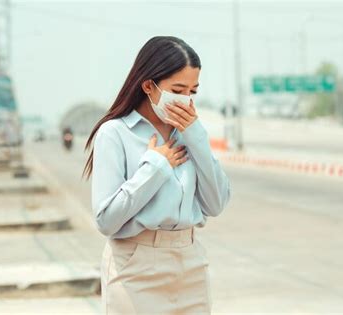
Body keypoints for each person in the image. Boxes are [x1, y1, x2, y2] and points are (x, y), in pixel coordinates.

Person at [82, 36, 231, 314]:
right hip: (135, 267)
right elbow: (106, 220)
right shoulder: (114, 134)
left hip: (190, 264)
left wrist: (196, 136)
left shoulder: (190, 136)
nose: (185, 100)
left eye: (192, 91)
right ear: (149, 86)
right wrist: (156, 167)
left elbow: (216, 203)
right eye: (177, 89)